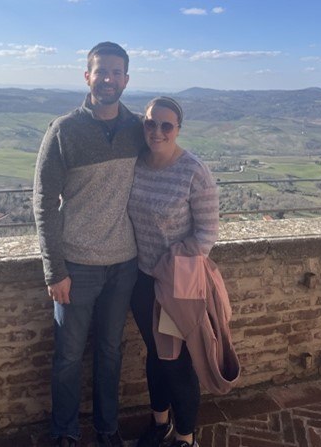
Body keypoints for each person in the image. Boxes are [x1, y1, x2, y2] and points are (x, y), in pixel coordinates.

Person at [33, 42, 144, 447]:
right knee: (67, 357)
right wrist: (54, 269)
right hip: (76, 266)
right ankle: (64, 432)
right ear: (87, 76)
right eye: (102, 71)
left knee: (111, 352)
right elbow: (43, 202)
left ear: (126, 80)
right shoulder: (64, 130)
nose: (109, 79)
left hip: (124, 264)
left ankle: (107, 428)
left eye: (117, 72)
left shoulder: (138, 129)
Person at [128, 97, 220, 447]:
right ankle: (160, 423)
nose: (158, 131)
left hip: (180, 281)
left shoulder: (193, 171)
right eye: (151, 123)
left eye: (167, 125)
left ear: (178, 129)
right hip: (142, 279)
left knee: (178, 363)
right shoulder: (136, 164)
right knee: (155, 355)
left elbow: (207, 234)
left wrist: (170, 262)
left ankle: (185, 437)